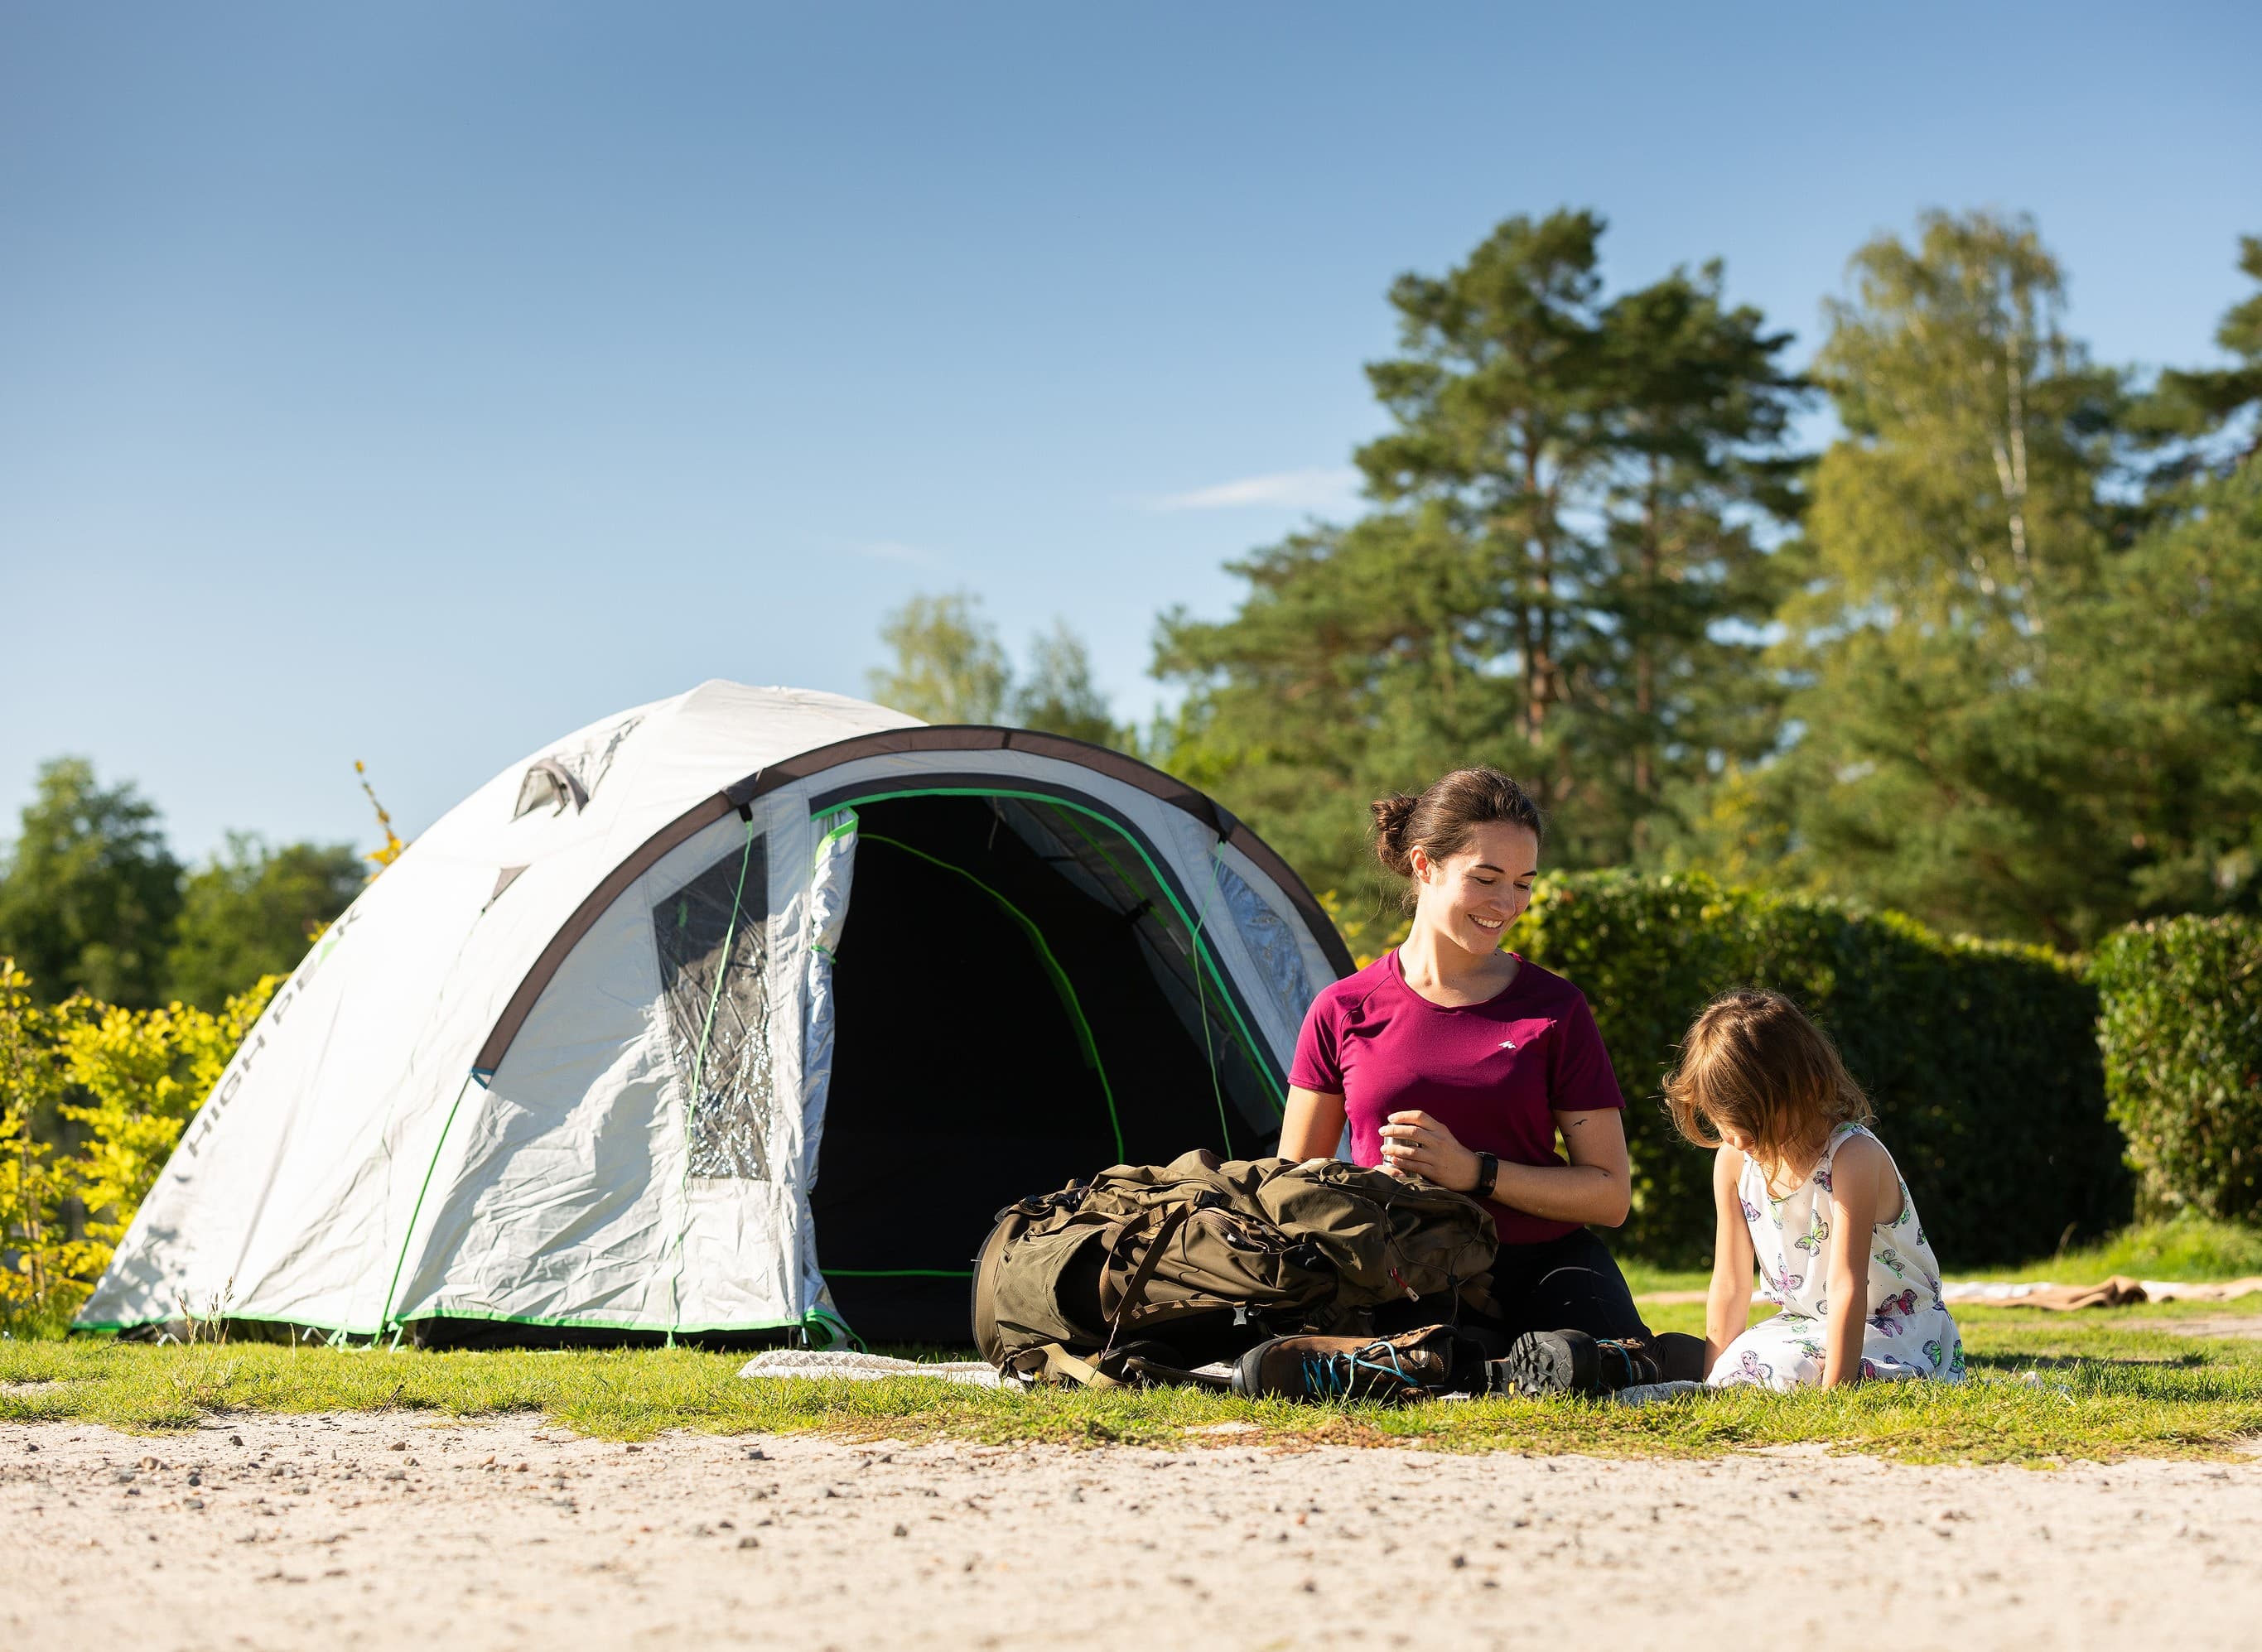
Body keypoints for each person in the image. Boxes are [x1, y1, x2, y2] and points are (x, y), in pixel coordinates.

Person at [1274, 766, 1691, 1395]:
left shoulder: (1556, 1008)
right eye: (1486, 878)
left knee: (1598, 1365)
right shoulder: (1342, 1008)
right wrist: (1370, 1193)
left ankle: (1525, 1363)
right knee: (1422, 1366)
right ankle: (1491, 1366)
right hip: (1405, 1267)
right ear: (1424, 866)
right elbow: (1292, 1187)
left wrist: (1475, 1172)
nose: (1507, 904)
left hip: (1548, 1265)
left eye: (1523, 883)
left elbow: (1609, 1196)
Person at [1665, 989, 1965, 1390]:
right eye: (1723, 1120)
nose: (1736, 1138)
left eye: (1753, 1120)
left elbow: (1846, 1285)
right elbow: (1730, 1284)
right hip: (1807, 1325)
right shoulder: (1734, 1163)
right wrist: (1711, 1382)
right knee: (1740, 1363)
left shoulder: (1852, 1157)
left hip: (1896, 1328)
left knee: (1789, 1369)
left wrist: (1835, 1394)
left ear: (1807, 1089)